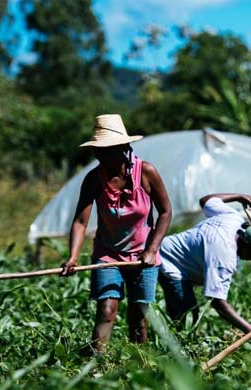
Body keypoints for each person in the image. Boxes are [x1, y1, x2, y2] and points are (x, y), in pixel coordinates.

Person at [61, 114, 172, 354]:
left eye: (105, 150)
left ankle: (136, 367)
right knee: (106, 310)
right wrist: (73, 257)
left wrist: (151, 251)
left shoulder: (146, 173)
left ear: (122, 147)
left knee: (139, 318)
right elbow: (81, 221)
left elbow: (165, 212)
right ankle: (96, 364)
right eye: (97, 151)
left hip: (143, 256)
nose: (98, 155)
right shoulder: (94, 179)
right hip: (108, 253)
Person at [158, 193, 251, 333]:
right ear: (244, 243)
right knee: (186, 317)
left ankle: (175, 343)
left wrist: (237, 197)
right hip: (170, 261)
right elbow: (217, 301)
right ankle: (174, 349)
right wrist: (249, 329)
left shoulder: (234, 218)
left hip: (175, 250)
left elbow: (206, 201)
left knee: (184, 315)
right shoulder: (223, 256)